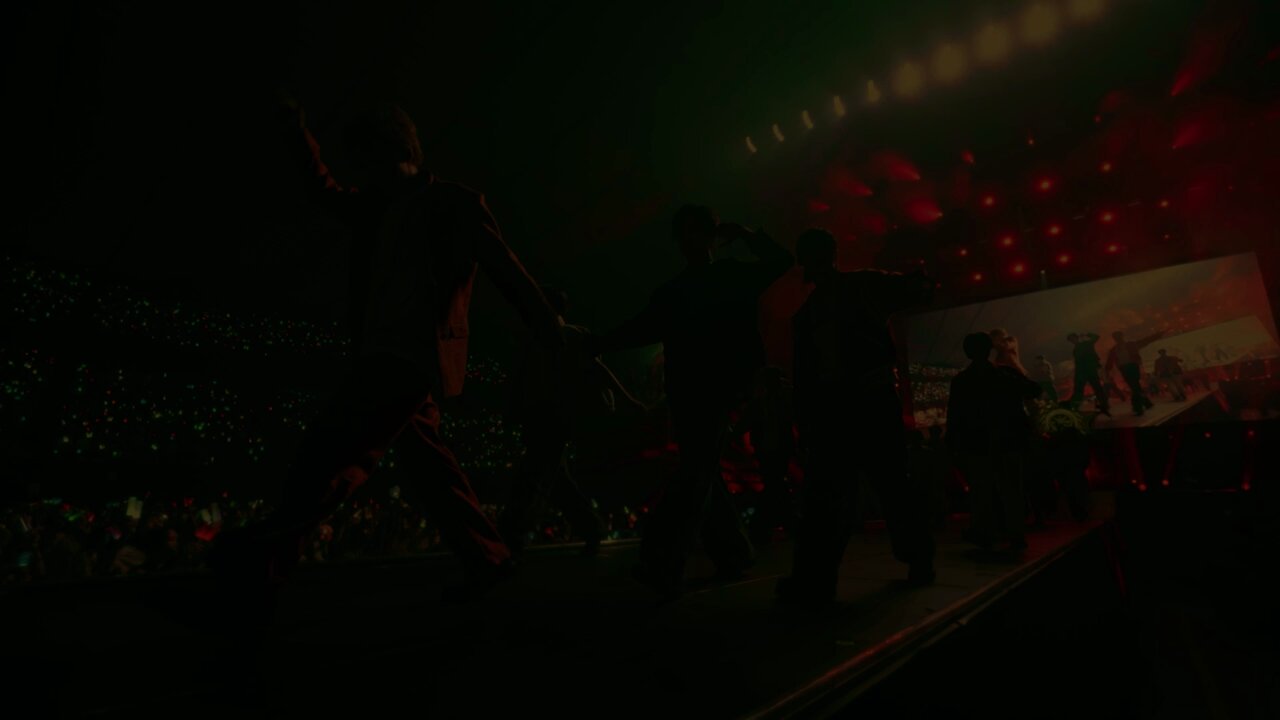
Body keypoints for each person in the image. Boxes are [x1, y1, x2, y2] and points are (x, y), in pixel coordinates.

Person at [209, 99, 564, 603]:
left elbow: (503, 266)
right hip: (389, 356)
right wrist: (297, 134)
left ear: (392, 150)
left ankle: (258, 565)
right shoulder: (378, 204)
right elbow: (323, 190)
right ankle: (490, 559)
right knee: (429, 470)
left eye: (365, 157)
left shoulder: (453, 203)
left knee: (330, 456)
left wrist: (547, 323)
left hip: (408, 357)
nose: (360, 171)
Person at [594, 205, 793, 599]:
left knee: (695, 473)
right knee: (702, 472)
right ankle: (731, 553)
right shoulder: (725, 278)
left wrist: (596, 343)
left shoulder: (679, 290)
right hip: (705, 391)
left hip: (700, 392)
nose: (691, 240)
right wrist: (746, 233)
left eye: (695, 232)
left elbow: (640, 329)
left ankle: (665, 561)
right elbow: (781, 262)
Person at [776, 228, 937, 606]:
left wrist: (806, 421)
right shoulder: (857, 288)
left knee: (834, 494)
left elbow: (804, 377)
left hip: (845, 408)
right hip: (860, 404)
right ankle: (916, 559)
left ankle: (814, 580)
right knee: (886, 484)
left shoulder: (815, 310)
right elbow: (918, 289)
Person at [498, 286, 645, 560]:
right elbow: (599, 372)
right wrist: (628, 401)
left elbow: (526, 380)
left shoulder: (549, 337)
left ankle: (511, 534)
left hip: (548, 417)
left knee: (533, 477)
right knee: (554, 480)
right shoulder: (567, 336)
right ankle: (590, 529)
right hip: (553, 417)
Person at [946, 333, 1043, 552]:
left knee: (981, 493)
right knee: (1012, 491)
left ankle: (984, 534)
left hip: (977, 445)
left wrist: (953, 445)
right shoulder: (1005, 375)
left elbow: (955, 416)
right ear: (989, 349)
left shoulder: (962, 381)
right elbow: (1034, 390)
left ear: (968, 352)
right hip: (1008, 442)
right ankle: (1016, 535)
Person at [739, 366, 797, 545]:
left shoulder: (763, 404)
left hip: (769, 451)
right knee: (776, 486)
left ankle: (763, 527)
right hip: (775, 451)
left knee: (774, 486)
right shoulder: (782, 402)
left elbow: (744, 424)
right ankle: (784, 524)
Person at [1106, 329, 1167, 417]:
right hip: (1125, 369)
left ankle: (1138, 407)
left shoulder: (1129, 345)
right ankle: (1145, 403)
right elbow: (1109, 361)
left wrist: (1158, 334)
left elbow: (1145, 341)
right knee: (1135, 387)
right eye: (1116, 337)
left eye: (1118, 337)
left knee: (1135, 387)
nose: (1118, 338)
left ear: (1121, 336)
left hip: (1132, 367)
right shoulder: (1115, 350)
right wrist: (1107, 371)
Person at [1067, 333, 1111, 416]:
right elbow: (1078, 362)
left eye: (1073, 339)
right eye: (1071, 340)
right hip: (1082, 372)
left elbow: (1096, 337)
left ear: (1077, 337)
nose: (1072, 341)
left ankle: (1104, 405)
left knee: (1097, 388)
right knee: (1079, 390)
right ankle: (1074, 407)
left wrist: (1087, 334)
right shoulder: (1076, 349)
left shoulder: (1086, 344)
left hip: (1089, 371)